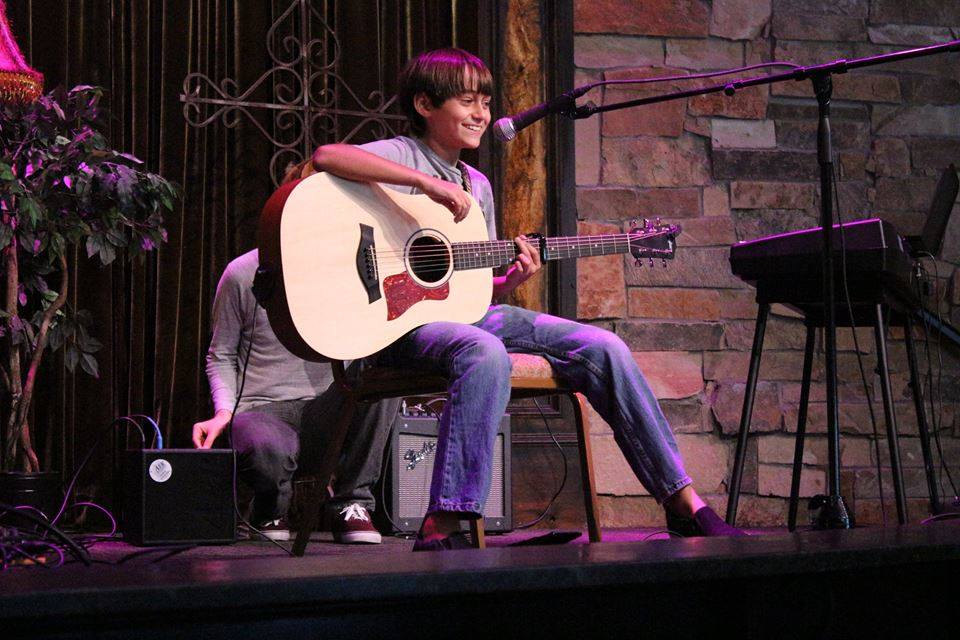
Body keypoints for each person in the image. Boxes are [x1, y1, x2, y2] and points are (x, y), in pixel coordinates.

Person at [311, 48, 745, 551]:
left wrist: (512, 279)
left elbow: (467, 288)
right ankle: (447, 519)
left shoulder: (478, 186)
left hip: (462, 317)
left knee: (602, 346)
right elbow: (327, 157)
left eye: (486, 102)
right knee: (483, 352)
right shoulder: (404, 155)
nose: (481, 114)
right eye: (467, 101)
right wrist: (426, 184)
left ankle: (683, 504)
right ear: (426, 104)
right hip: (394, 324)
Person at [192, 197, 398, 543]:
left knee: (381, 381)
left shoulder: (352, 271)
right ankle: (272, 509)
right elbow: (221, 354)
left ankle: (352, 503)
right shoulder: (244, 273)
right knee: (264, 445)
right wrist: (224, 411)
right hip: (263, 410)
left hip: (327, 409)